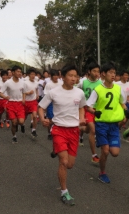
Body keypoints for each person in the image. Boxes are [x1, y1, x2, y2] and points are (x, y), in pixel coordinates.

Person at [38, 64, 86, 205]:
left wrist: (81, 118)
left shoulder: (79, 93)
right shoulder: (54, 92)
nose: (73, 78)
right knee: (64, 162)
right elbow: (41, 107)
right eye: (70, 75)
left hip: (74, 131)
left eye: (75, 76)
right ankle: (64, 192)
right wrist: (42, 119)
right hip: (59, 129)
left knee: (70, 165)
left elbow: (82, 107)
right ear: (63, 77)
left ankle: (58, 150)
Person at [86, 62, 129, 184]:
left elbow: (122, 102)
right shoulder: (98, 89)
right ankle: (102, 173)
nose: (113, 75)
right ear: (103, 74)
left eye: (114, 73)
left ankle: (102, 162)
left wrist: (127, 111)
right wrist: (95, 113)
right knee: (105, 150)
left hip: (114, 125)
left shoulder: (118, 89)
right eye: (110, 72)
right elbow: (88, 106)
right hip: (101, 125)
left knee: (114, 153)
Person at [78, 62, 102, 163]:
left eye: (98, 71)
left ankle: (80, 130)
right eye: (94, 71)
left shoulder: (101, 83)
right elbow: (76, 92)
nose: (96, 73)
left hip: (98, 110)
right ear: (89, 71)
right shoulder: (83, 82)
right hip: (87, 108)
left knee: (88, 129)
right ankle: (94, 155)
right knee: (92, 129)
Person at [0, 66, 25, 143]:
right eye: (18, 71)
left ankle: (21, 125)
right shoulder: (8, 82)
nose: (19, 73)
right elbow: (0, 93)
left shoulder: (23, 82)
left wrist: (23, 99)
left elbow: (24, 92)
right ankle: (14, 136)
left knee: (21, 121)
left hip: (20, 104)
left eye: (20, 72)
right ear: (13, 72)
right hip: (11, 103)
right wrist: (5, 97)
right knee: (14, 122)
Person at [23, 69, 39, 137]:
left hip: (33, 102)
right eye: (31, 74)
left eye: (34, 74)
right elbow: (22, 92)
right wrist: (28, 93)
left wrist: (37, 94)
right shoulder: (25, 82)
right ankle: (22, 125)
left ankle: (33, 130)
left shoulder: (36, 82)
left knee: (35, 116)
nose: (33, 76)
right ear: (28, 75)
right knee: (24, 118)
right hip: (26, 102)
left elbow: (36, 89)